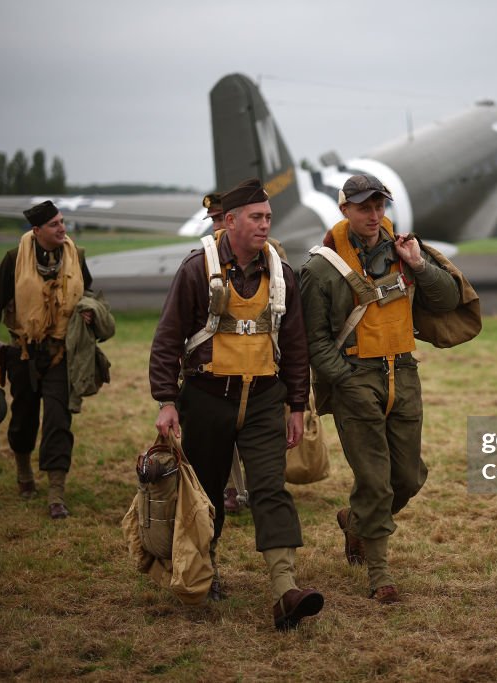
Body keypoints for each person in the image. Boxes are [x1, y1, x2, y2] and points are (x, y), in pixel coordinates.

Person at [149, 177, 324, 630]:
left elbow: (296, 344)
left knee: (270, 490)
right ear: (229, 222)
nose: (266, 225)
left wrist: (298, 406)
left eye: (268, 217)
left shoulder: (283, 273)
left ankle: (285, 589)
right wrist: (167, 400)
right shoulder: (195, 269)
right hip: (208, 398)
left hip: (266, 398)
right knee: (207, 495)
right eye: (256, 217)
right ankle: (205, 572)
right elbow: (168, 339)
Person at [299, 174, 460, 604]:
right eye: (364, 207)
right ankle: (380, 575)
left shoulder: (404, 251)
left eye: (379, 206)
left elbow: (447, 300)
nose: (374, 215)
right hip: (356, 380)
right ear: (345, 210)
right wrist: (346, 379)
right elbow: (313, 339)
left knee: (408, 478)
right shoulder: (320, 268)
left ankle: (355, 524)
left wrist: (420, 264)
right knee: (375, 481)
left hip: (403, 373)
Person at [0, 200, 93, 520]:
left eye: (63, 222)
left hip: (60, 354)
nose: (62, 229)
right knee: (24, 418)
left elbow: (90, 291)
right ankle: (24, 472)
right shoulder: (13, 260)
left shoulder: (76, 256)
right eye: (54, 225)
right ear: (36, 231)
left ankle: (56, 493)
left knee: (58, 420)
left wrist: (93, 312)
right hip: (23, 355)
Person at [203, 191, 249, 515]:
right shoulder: (203, 257)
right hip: (220, 356)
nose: (217, 225)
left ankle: (257, 484)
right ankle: (233, 488)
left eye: (221, 218)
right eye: (214, 220)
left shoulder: (269, 253)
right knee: (225, 429)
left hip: (259, 356)